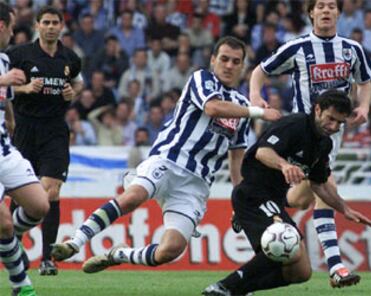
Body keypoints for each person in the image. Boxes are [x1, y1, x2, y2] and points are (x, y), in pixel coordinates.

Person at [50, 36, 280, 273]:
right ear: (213, 60)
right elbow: (212, 108)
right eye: (224, 59)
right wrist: (258, 113)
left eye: (236, 61)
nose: (229, 65)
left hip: (196, 184)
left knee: (170, 249)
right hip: (169, 160)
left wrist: (238, 200)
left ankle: (119, 253)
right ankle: (75, 243)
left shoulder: (240, 106)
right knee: (132, 197)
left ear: (242, 67)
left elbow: (236, 159)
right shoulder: (202, 79)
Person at [247, 0, 371, 288]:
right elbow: (259, 70)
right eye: (320, 6)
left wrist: (364, 107)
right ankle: (337, 267)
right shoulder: (298, 47)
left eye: (332, 5)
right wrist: (255, 97)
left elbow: (365, 81)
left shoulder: (351, 49)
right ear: (311, 13)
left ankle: (256, 204)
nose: (326, 10)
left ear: (339, 13)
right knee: (325, 185)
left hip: (334, 133)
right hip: (303, 131)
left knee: (302, 197)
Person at [203, 90, 371, 296]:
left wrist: (345, 209)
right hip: (253, 193)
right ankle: (224, 287)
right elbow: (262, 151)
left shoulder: (324, 144)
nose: (334, 127)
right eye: (330, 119)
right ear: (317, 109)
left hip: (274, 200)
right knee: (286, 243)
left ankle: (237, 290)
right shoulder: (295, 125)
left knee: (301, 272)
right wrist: (284, 165)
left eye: (339, 123)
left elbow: (319, 185)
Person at [7, 6, 83, 276]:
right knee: (22, 193)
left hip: (54, 131)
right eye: (46, 22)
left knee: (51, 191)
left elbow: (78, 84)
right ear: (37, 25)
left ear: (62, 26)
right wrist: (24, 88)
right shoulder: (18, 55)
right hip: (25, 128)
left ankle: (48, 258)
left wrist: (71, 93)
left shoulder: (70, 58)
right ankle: (13, 246)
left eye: (55, 22)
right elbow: (3, 84)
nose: (51, 27)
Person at [0, 3, 50, 295]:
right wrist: (5, 81)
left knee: (39, 205)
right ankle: (21, 284)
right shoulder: (5, 70)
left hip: (4, 147)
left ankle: (9, 244)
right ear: (2, 26)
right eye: (14, 26)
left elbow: (4, 96)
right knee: (4, 222)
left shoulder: (4, 60)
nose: (15, 32)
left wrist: (9, 114)